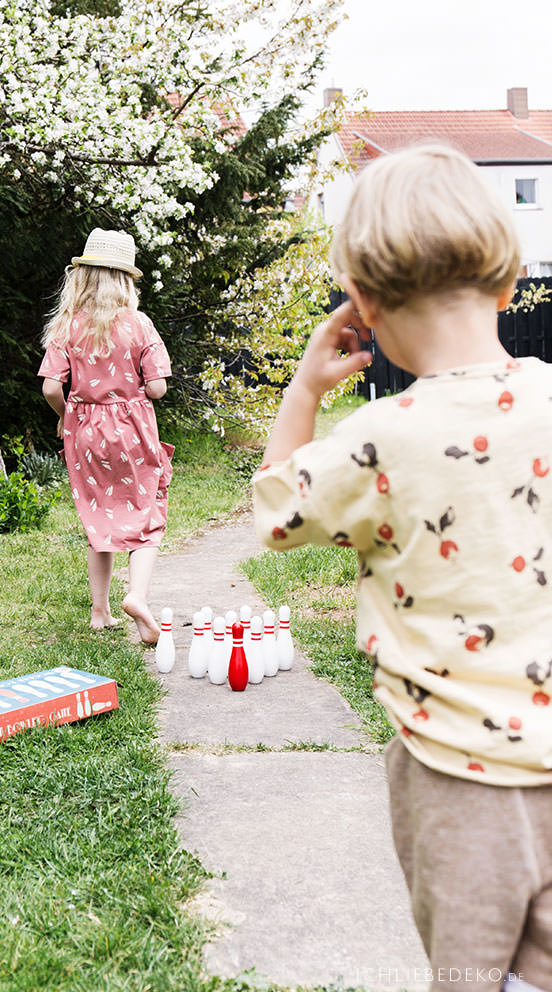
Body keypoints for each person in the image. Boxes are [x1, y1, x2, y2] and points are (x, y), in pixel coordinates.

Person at [252, 144, 552, 991]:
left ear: (365, 306)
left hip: (458, 784)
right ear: (510, 280)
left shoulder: (380, 441)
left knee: (467, 972)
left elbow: (278, 511)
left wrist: (303, 393)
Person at [38, 228, 173, 643]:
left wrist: (67, 415)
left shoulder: (67, 325)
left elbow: (48, 387)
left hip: (84, 432)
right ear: (125, 281)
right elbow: (157, 388)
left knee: (100, 516)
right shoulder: (139, 324)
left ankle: (100, 612)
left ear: (83, 277)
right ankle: (136, 595)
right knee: (146, 514)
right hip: (132, 430)